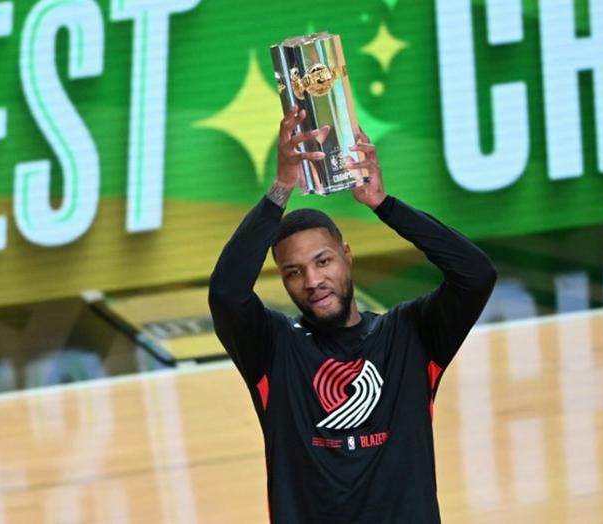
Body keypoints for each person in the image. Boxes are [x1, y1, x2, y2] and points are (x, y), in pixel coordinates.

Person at [208, 106, 497, 523]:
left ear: (346, 256)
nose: (312, 280)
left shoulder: (411, 335)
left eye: (323, 261)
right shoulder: (272, 348)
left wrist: (384, 205)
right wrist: (281, 189)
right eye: (294, 272)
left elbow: (475, 274)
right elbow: (226, 293)